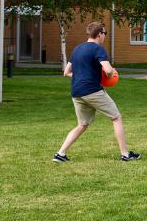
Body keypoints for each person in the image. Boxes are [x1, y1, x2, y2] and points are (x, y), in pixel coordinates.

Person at [53, 21, 140, 163]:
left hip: (77, 92)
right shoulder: (98, 49)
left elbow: (66, 72)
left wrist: (82, 77)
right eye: (104, 33)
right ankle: (125, 154)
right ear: (99, 34)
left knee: (82, 124)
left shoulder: (77, 49)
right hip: (92, 90)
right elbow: (108, 70)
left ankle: (60, 154)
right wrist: (112, 76)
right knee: (116, 117)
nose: (105, 35)